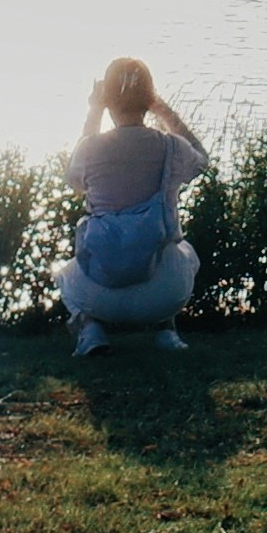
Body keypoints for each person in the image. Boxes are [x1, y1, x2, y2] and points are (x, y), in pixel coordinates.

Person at [60, 55, 205, 357]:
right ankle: (166, 330)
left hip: (98, 296)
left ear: (107, 99)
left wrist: (94, 111)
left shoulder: (91, 148)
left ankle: (90, 330)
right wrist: (162, 110)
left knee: (64, 272)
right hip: (164, 294)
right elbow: (201, 160)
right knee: (182, 250)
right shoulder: (171, 147)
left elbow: (74, 180)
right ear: (149, 97)